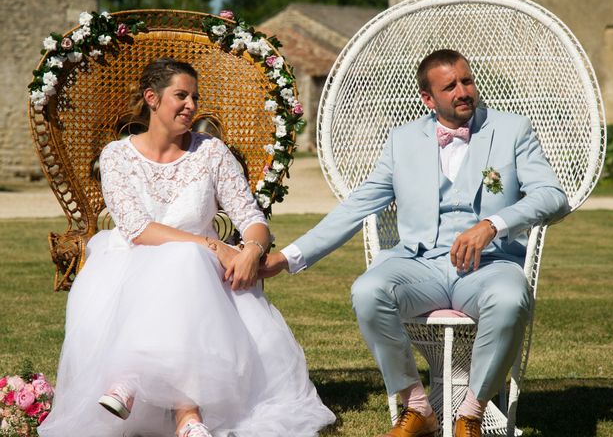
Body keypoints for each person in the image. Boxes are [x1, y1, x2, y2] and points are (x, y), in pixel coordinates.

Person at [258, 49, 570, 437]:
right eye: (450, 85)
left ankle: (471, 413)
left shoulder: (512, 130)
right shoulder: (402, 141)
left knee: (510, 298)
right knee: (368, 290)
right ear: (428, 98)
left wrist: (494, 223)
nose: (463, 91)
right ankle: (417, 407)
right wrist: (287, 258)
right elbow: (356, 208)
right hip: (421, 265)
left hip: (490, 266)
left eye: (467, 80)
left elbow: (553, 197)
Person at [38, 58, 335, 437]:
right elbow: (137, 229)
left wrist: (251, 251)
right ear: (152, 98)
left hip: (202, 277)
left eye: (195, 97)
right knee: (184, 257)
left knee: (186, 262)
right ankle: (187, 417)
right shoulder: (116, 156)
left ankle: (130, 377)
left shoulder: (211, 153)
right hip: (126, 267)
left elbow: (252, 219)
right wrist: (212, 244)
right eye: (181, 95)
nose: (191, 105)